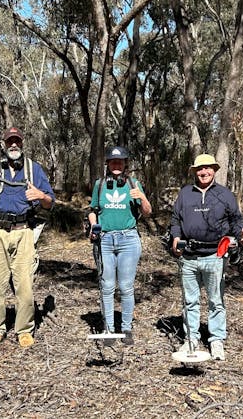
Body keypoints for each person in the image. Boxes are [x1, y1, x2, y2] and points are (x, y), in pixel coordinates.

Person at [0, 127, 54, 349]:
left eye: (17, 141)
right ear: (4, 144)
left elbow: (50, 202)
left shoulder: (34, 170)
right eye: (10, 141)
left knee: (25, 285)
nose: (13, 145)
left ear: (22, 143)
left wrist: (40, 195)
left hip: (24, 232)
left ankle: (24, 330)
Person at [169, 153, 243, 361]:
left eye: (208, 168)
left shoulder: (224, 194)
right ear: (195, 171)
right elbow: (175, 219)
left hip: (215, 254)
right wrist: (176, 238)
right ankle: (191, 339)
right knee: (190, 301)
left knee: (216, 300)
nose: (204, 172)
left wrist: (242, 234)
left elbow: (235, 219)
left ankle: (216, 340)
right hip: (188, 256)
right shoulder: (185, 194)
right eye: (200, 169)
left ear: (214, 170)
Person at [87, 145, 152, 346]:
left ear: (125, 164)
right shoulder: (99, 184)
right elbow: (93, 210)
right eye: (113, 161)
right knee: (106, 286)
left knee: (125, 287)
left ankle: (126, 328)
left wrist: (141, 197)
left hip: (128, 240)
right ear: (107, 164)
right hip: (104, 240)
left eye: (120, 161)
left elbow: (148, 212)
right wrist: (93, 226)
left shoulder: (133, 184)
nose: (116, 164)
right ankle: (108, 329)